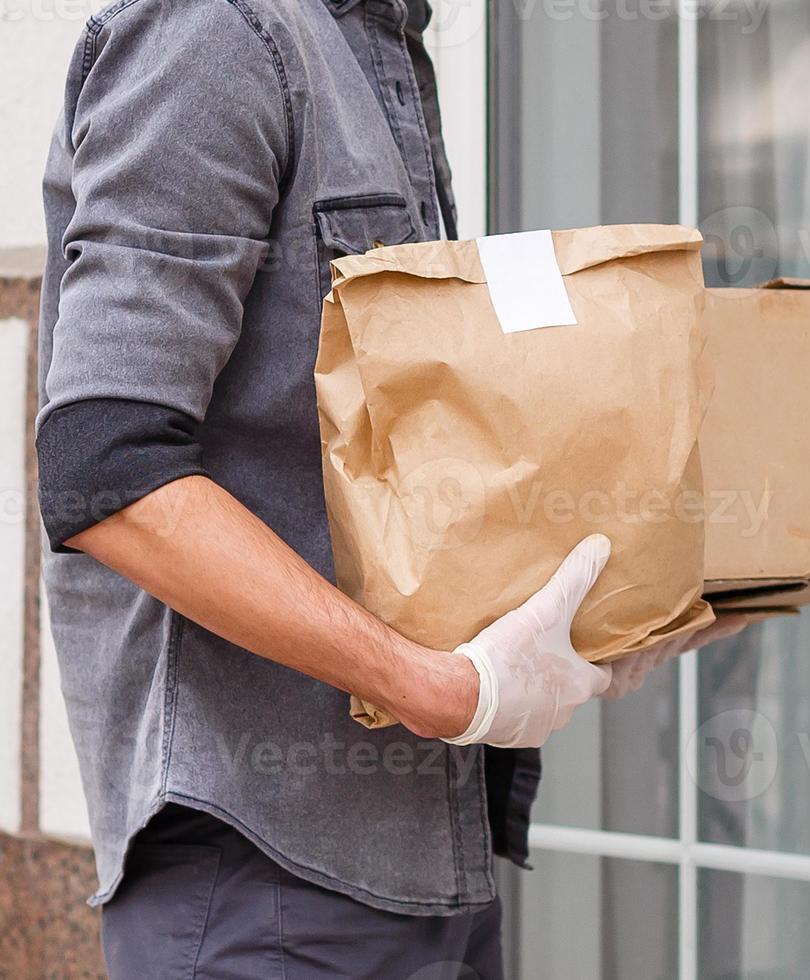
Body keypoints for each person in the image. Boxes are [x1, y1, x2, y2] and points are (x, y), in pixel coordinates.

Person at [35, 0, 742, 975]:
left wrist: (623, 607)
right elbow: (109, 471)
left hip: (423, 861)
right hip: (261, 878)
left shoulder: (381, 47)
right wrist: (439, 689)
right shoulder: (215, 31)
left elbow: (389, 474)